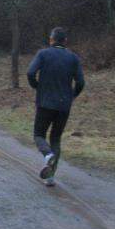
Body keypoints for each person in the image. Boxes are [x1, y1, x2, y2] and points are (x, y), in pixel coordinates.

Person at [26, 27, 85, 186]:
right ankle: (50, 177)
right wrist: (72, 96)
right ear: (65, 41)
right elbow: (80, 82)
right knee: (56, 138)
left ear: (51, 39)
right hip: (64, 105)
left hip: (45, 102)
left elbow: (30, 73)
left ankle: (47, 155)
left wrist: (37, 86)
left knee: (39, 134)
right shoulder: (73, 58)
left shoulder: (43, 54)